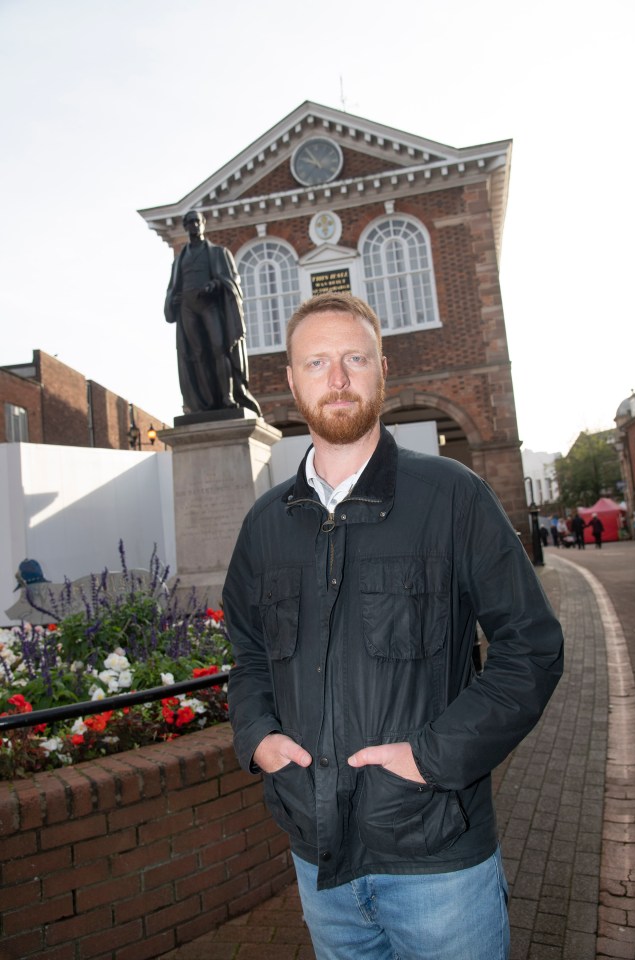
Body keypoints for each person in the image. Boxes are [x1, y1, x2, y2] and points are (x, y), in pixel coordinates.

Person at [223, 293, 564, 960]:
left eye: (355, 358)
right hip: (318, 860)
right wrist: (257, 734)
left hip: (438, 861)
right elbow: (250, 655)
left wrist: (430, 758)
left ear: (383, 369)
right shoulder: (264, 525)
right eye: (317, 362)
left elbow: (532, 648)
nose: (338, 378)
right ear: (291, 382)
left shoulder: (453, 497)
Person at [164, 210, 261, 416]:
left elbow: (232, 278)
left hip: (210, 304)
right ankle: (205, 401)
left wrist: (215, 285)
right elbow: (172, 287)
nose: (195, 225)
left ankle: (227, 396)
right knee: (197, 354)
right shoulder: (180, 260)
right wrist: (174, 299)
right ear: (186, 226)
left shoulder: (217, 253)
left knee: (219, 348)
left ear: (203, 224)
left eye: (197, 221)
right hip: (188, 307)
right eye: (190, 222)